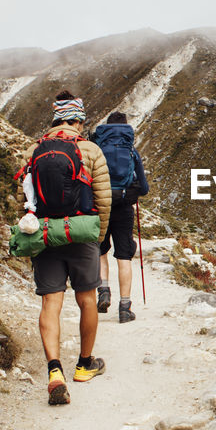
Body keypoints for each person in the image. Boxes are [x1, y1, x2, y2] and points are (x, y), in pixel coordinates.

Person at [19, 91, 113, 405]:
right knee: (87, 299)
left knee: (50, 303)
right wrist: (98, 238)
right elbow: (103, 199)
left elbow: (24, 195)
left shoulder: (34, 150)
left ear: (55, 118)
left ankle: (54, 370)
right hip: (82, 232)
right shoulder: (90, 150)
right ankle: (85, 365)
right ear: (78, 119)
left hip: (46, 234)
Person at [91, 112, 149, 323]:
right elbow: (144, 188)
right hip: (124, 209)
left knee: (101, 251)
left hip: (101, 207)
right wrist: (131, 191)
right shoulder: (131, 152)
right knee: (124, 257)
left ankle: (103, 290)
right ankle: (125, 308)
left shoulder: (97, 150)